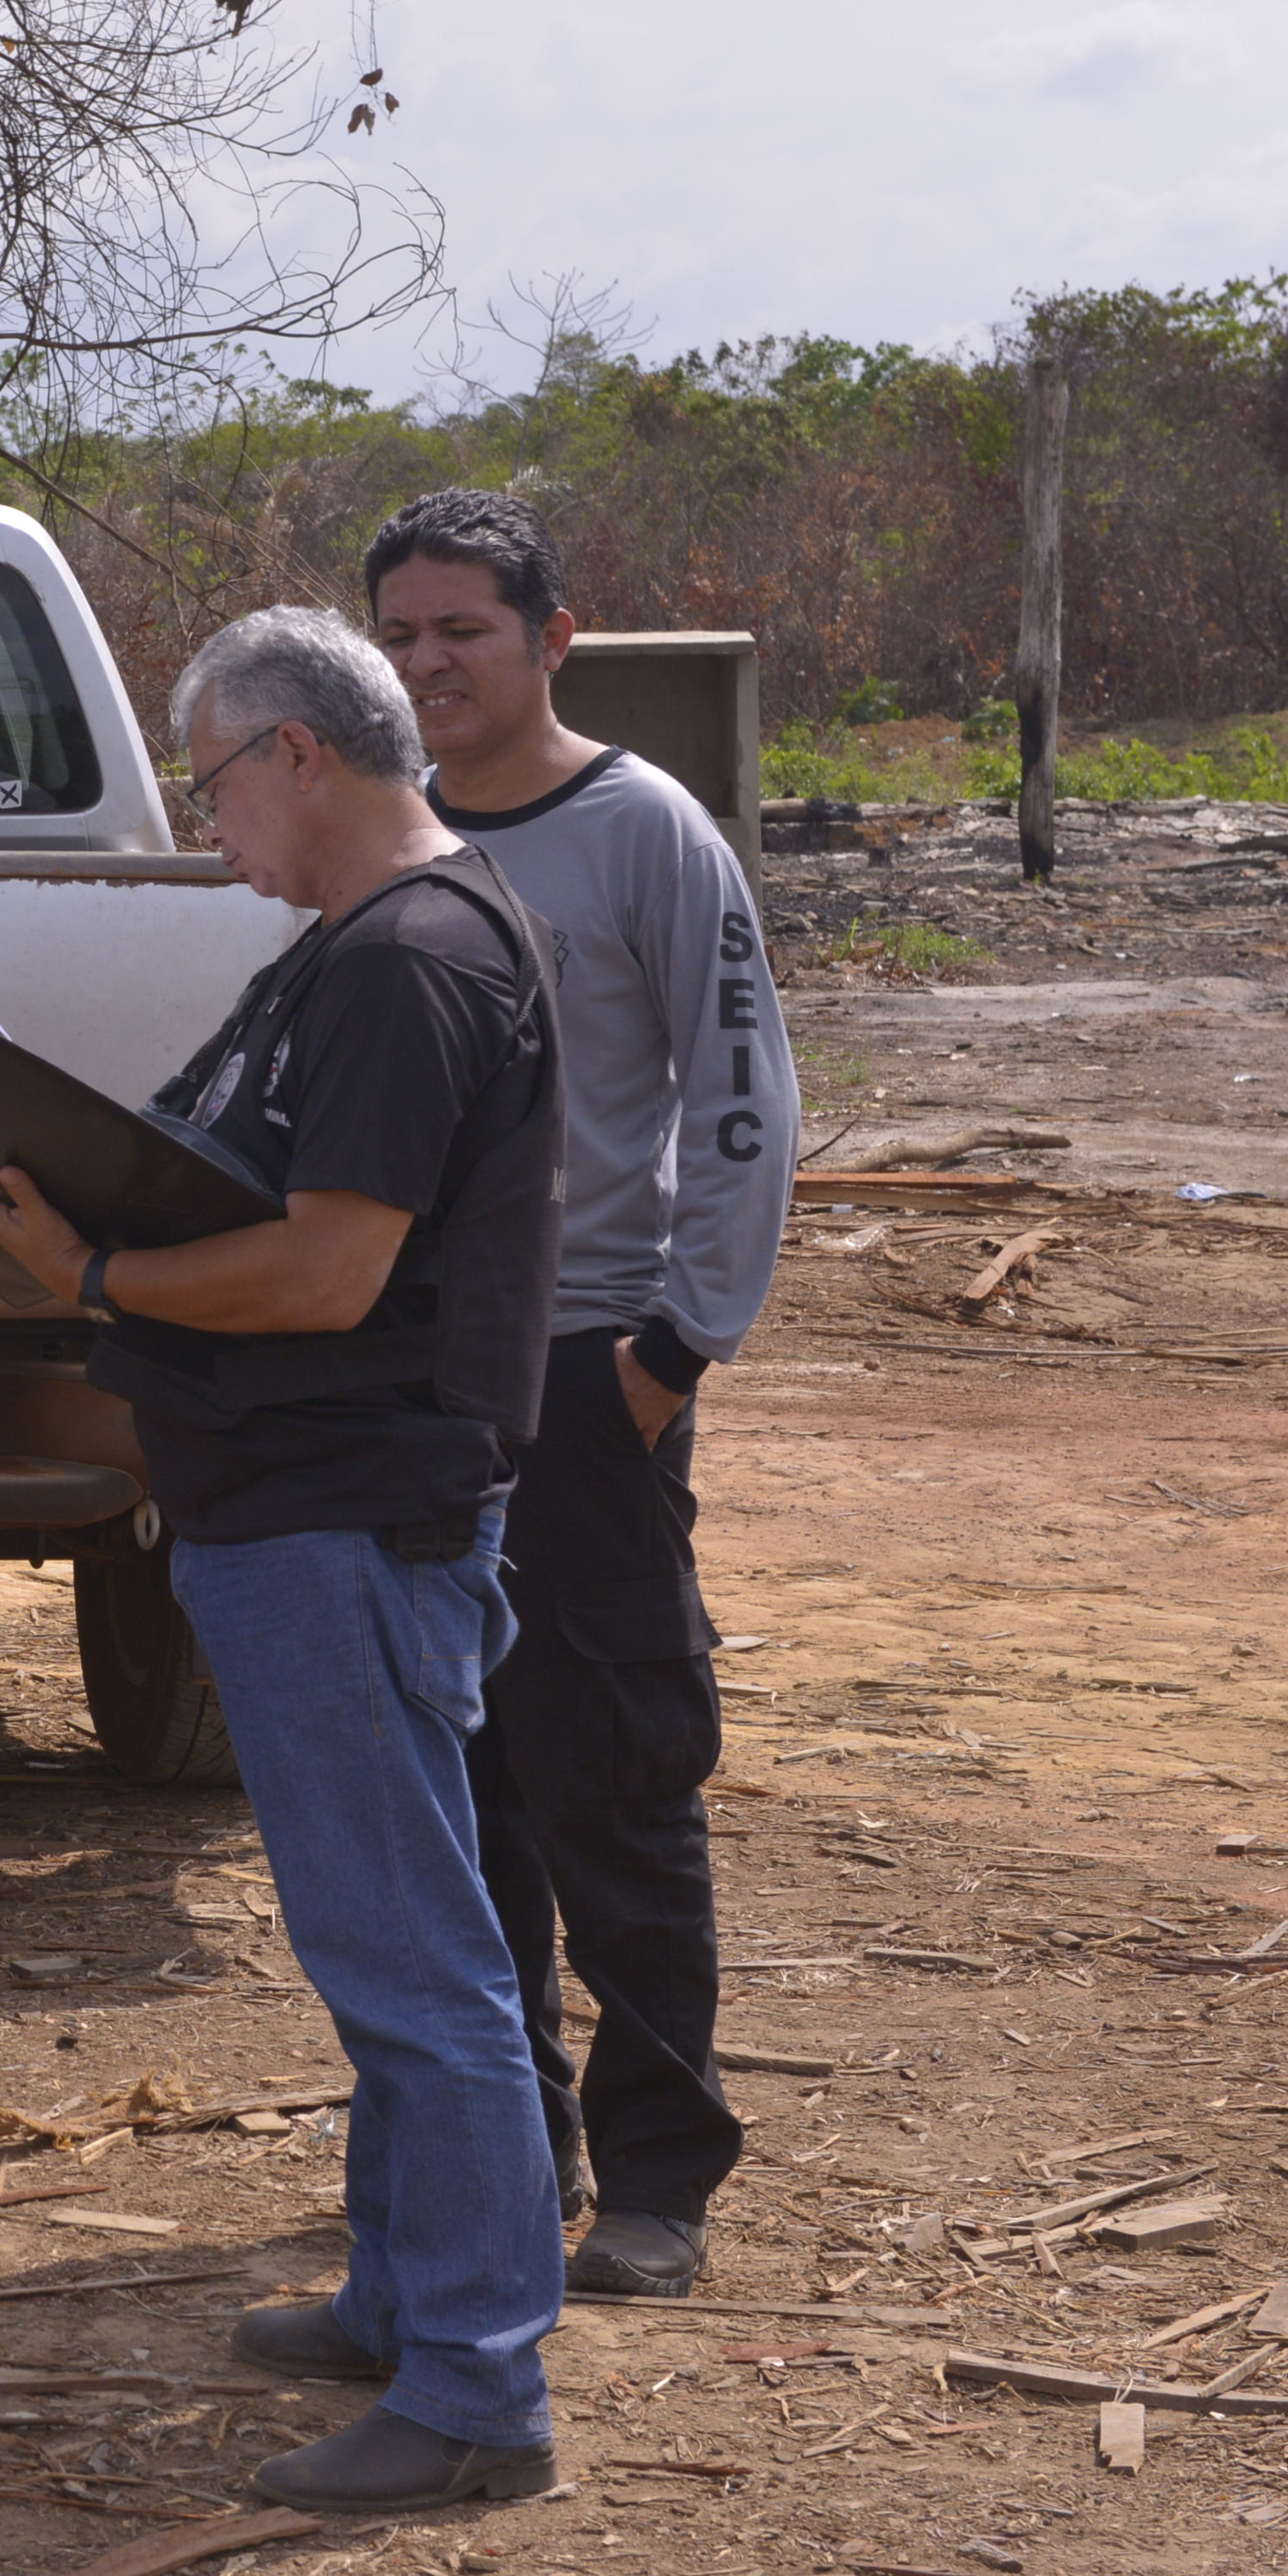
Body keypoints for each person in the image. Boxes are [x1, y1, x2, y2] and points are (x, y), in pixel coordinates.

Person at [0, 601, 569, 2514]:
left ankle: (475, 2389)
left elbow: (324, 1267)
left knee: (416, 1963)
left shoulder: (408, 962)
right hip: (305, 1512)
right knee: (388, 1939)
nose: (206, 826)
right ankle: (400, 2295)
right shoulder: (352, 950)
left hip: (341, 1520)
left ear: (299, 749)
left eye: (211, 782)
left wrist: (98, 1274)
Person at [369, 489, 798, 2302]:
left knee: (611, 1773)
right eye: (398, 634)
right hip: (405, 1383)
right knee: (456, 1792)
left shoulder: (647, 832)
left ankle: (660, 2169)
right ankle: (499, 2144)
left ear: (553, 637)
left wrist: (674, 1350)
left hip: (588, 1369)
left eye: (462, 628)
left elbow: (747, 1098)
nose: (428, 664)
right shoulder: (386, 835)